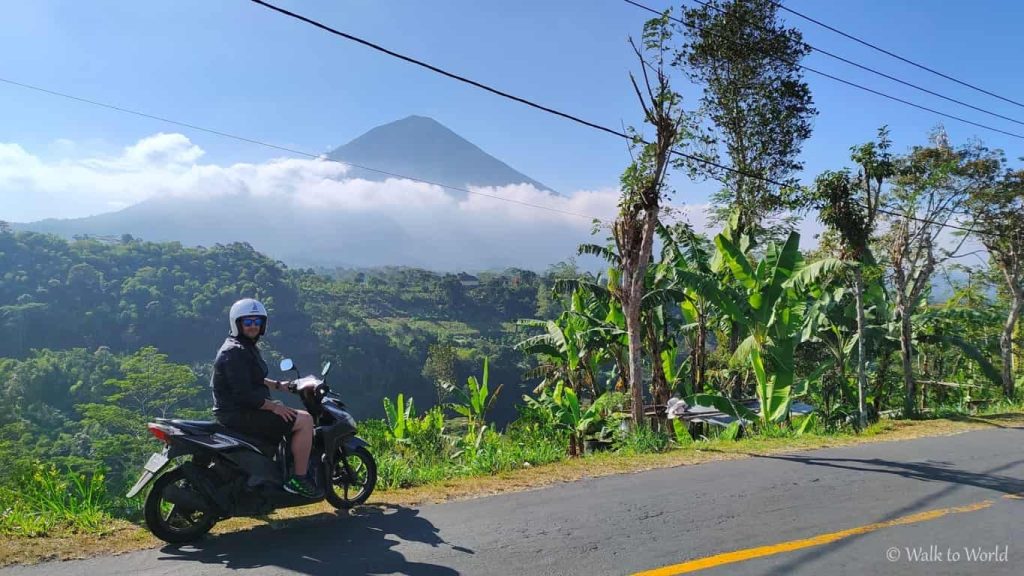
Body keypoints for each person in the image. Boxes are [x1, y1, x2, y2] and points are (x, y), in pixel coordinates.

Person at [211, 298, 317, 498]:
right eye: (248, 322)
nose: (253, 326)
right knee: (305, 420)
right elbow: (243, 394)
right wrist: (273, 407)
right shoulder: (235, 351)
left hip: (241, 410)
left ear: (263, 325)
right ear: (237, 324)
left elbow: (252, 378)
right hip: (239, 413)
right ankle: (299, 479)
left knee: (285, 410)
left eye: (257, 322)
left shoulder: (242, 346)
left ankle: (273, 470)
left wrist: (278, 386)